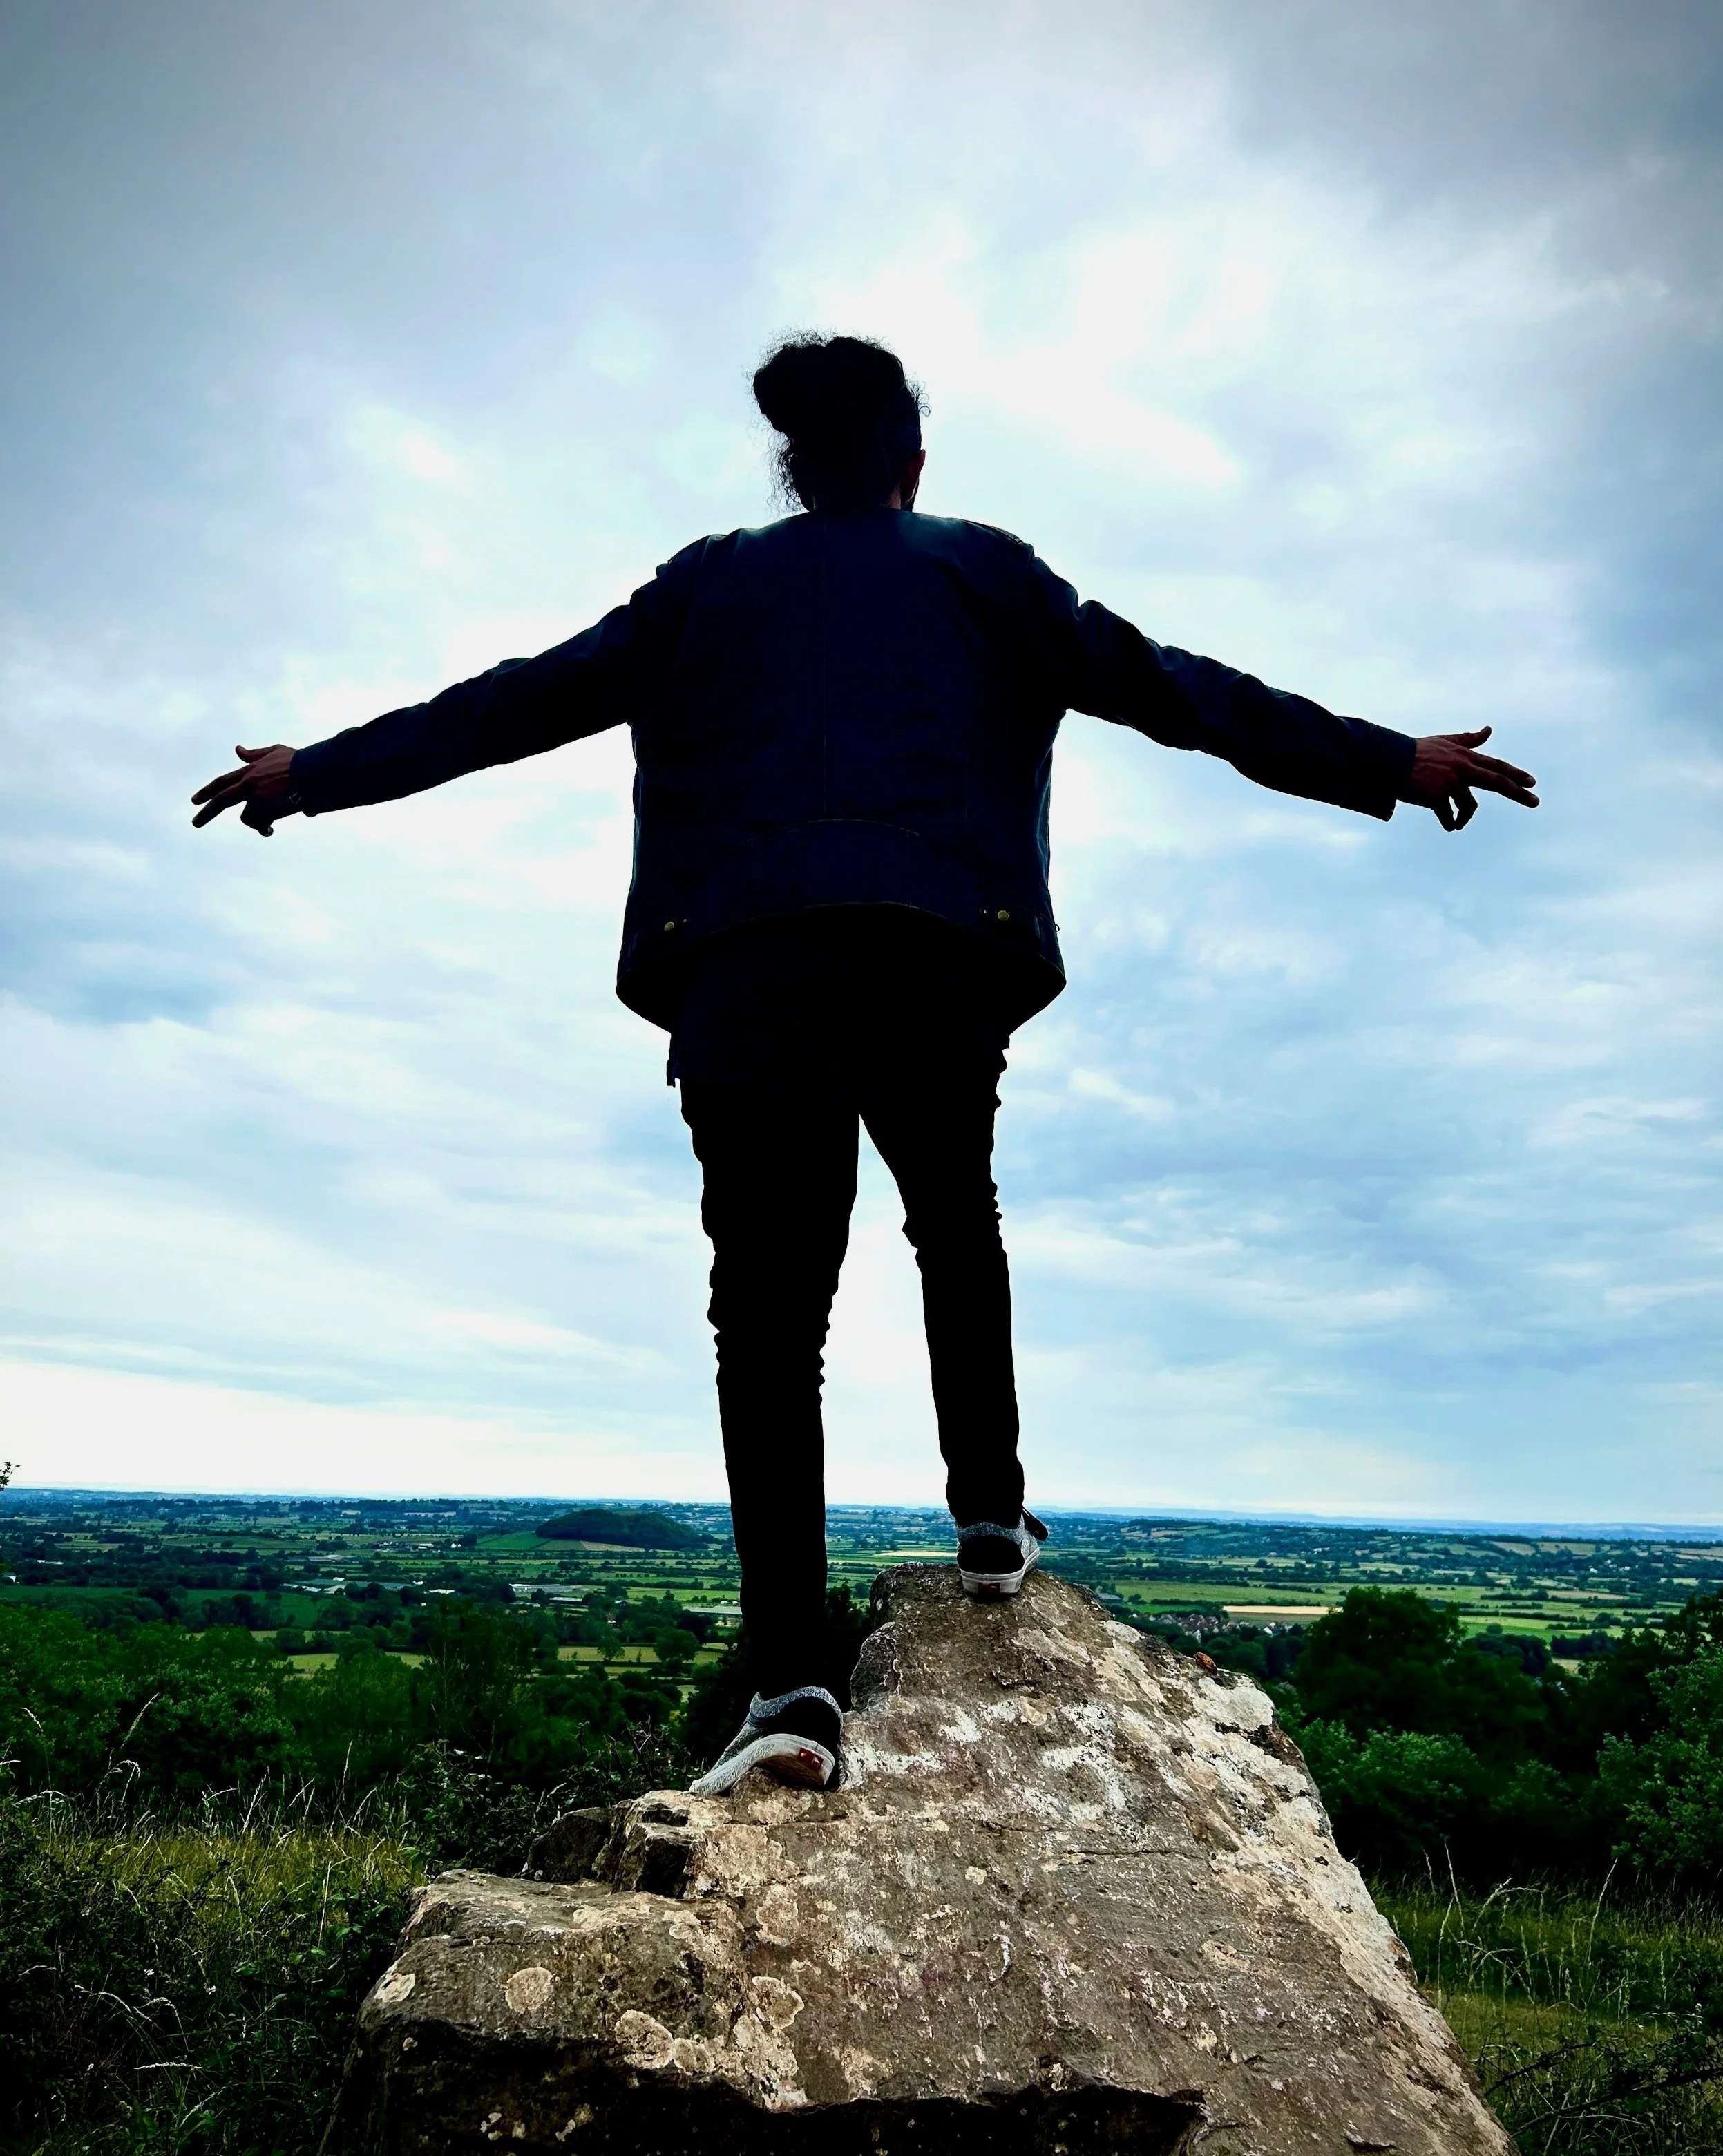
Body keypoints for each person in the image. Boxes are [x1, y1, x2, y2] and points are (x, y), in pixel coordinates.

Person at [192, 333, 1538, 1796]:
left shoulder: (704, 584)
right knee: (951, 1213)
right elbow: (1174, 690)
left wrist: (308, 773)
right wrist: (1387, 763)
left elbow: (506, 705)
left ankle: (788, 1686)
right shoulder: (982, 571)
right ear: (907, 467)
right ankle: (987, 1516)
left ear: (798, 468)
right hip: (934, 954)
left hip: (746, 970)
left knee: (767, 1322)